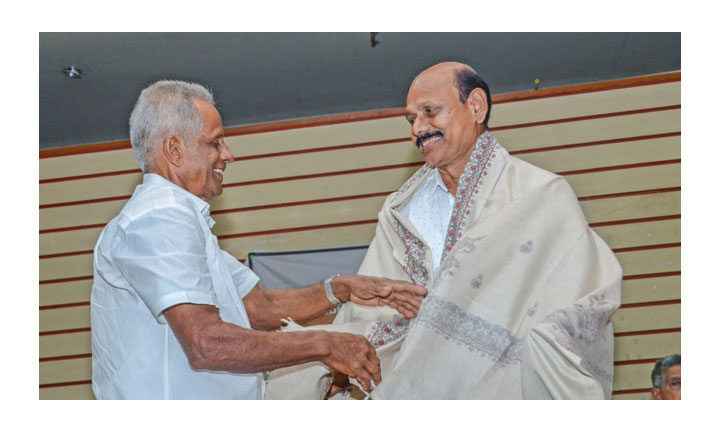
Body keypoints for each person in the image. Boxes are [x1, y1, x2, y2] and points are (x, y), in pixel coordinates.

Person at [265, 62, 623, 400]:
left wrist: (542, 339)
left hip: (507, 382)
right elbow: (373, 302)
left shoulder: (542, 194)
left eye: (430, 112)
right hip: (416, 374)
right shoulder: (400, 211)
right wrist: (341, 366)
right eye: (411, 119)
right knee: (299, 362)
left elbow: (587, 292)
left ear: (477, 107)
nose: (418, 129)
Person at [90, 80, 427, 399]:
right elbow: (206, 343)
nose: (228, 154)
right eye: (214, 142)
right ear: (174, 150)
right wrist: (325, 344)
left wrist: (341, 289)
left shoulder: (183, 222)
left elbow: (259, 307)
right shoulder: (159, 218)